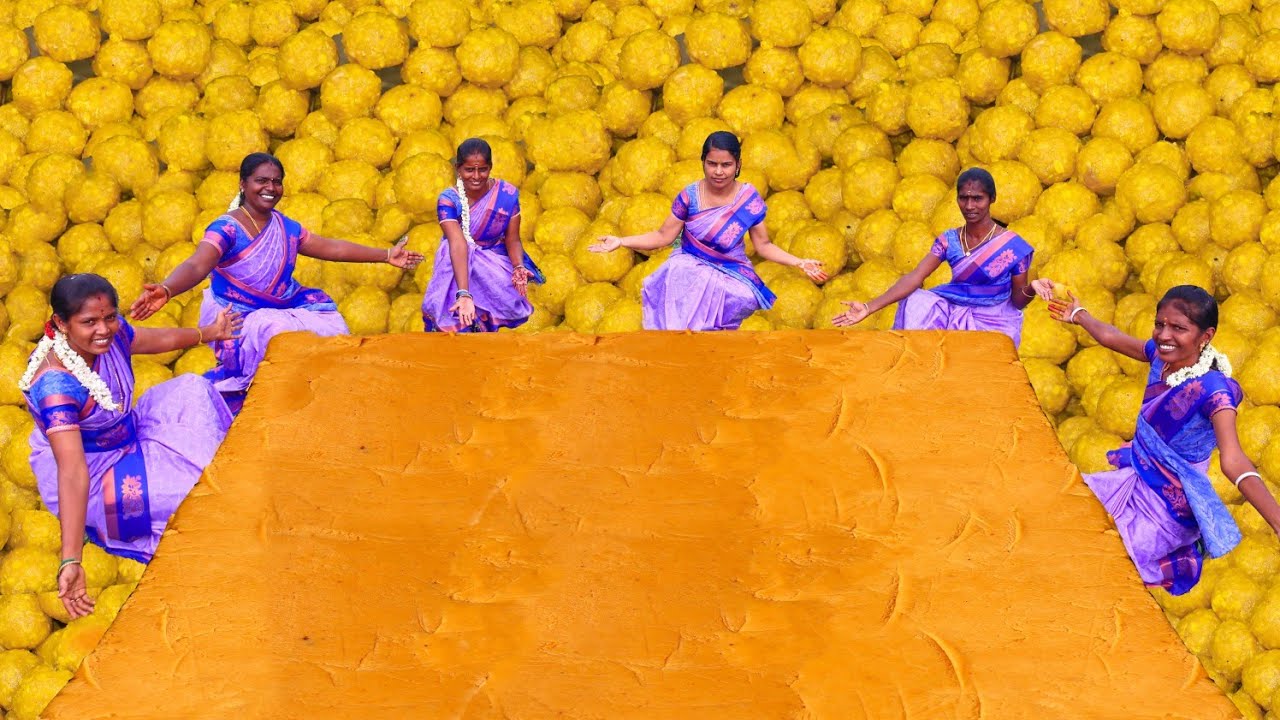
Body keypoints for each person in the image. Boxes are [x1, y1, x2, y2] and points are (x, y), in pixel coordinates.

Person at [129, 153, 423, 414]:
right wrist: (168, 288)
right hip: (237, 317)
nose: (270, 188)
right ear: (243, 184)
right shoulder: (227, 228)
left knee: (331, 328)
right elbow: (197, 263)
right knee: (276, 332)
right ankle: (281, 404)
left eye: (277, 182)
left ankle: (315, 402)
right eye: (262, 181)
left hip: (286, 304)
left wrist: (386, 255)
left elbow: (331, 249)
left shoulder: (285, 227)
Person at [20, 274, 242, 619]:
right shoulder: (56, 388)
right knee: (198, 492)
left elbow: (145, 338)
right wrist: (71, 558)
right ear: (61, 323)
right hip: (96, 474)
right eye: (88, 322)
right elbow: (73, 470)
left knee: (192, 390)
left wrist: (207, 334)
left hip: (129, 432)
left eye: (109, 317)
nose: (104, 329)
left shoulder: (108, 335)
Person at [1047, 284, 1280, 595]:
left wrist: (1277, 521)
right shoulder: (1162, 358)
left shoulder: (1214, 391)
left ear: (1205, 336)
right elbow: (1111, 338)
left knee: (1105, 564)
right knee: (1061, 513)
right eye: (1160, 324)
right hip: (1135, 478)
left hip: (1168, 507)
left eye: (1179, 328)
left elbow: (1233, 461)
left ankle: (1183, 558)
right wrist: (1079, 314)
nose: (1164, 335)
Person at [589, 131, 827, 331]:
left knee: (744, 298)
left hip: (731, 271)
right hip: (690, 268)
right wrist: (620, 241)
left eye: (726, 165)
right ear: (703, 163)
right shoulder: (689, 196)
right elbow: (663, 237)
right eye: (712, 164)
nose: (719, 171)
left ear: (738, 166)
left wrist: (799, 262)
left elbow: (763, 246)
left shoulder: (747, 197)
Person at [832, 167, 1049, 346]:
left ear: (992, 198)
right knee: (916, 300)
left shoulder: (1012, 245)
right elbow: (915, 277)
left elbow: (1018, 301)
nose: (970, 206)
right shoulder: (949, 240)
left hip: (994, 323)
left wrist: (1033, 288)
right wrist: (869, 307)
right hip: (954, 314)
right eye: (964, 198)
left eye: (977, 198)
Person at [422, 138, 544, 332]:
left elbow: (512, 239)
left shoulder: (507, 195)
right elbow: (458, 243)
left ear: (490, 167)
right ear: (458, 168)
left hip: (494, 269)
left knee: (487, 330)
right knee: (455, 329)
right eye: (469, 170)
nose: (476, 176)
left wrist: (518, 267)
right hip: (456, 266)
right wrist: (464, 293)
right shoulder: (449, 200)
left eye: (483, 169)